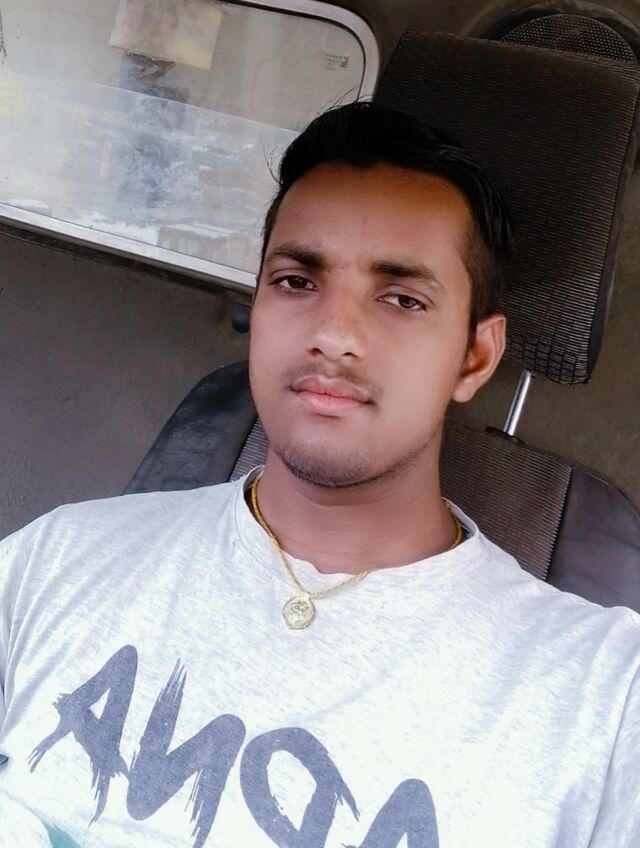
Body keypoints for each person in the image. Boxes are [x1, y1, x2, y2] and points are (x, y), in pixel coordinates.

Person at [0, 101, 638, 848]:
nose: (333, 335)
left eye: (402, 298)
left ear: (475, 357)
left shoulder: (603, 696)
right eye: (298, 282)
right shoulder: (58, 560)